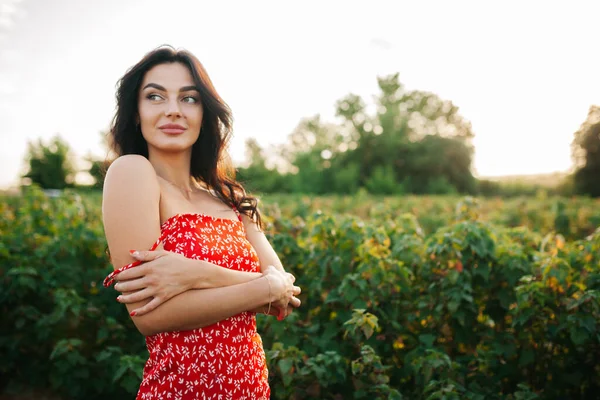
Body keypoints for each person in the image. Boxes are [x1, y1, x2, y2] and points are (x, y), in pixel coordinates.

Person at [101, 45, 301, 400]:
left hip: (251, 387)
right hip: (180, 390)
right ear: (136, 112)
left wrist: (196, 274)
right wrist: (264, 288)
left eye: (189, 99)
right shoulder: (132, 173)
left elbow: (284, 295)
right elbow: (149, 315)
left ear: (204, 113)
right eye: (155, 96)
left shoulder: (230, 197)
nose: (173, 111)